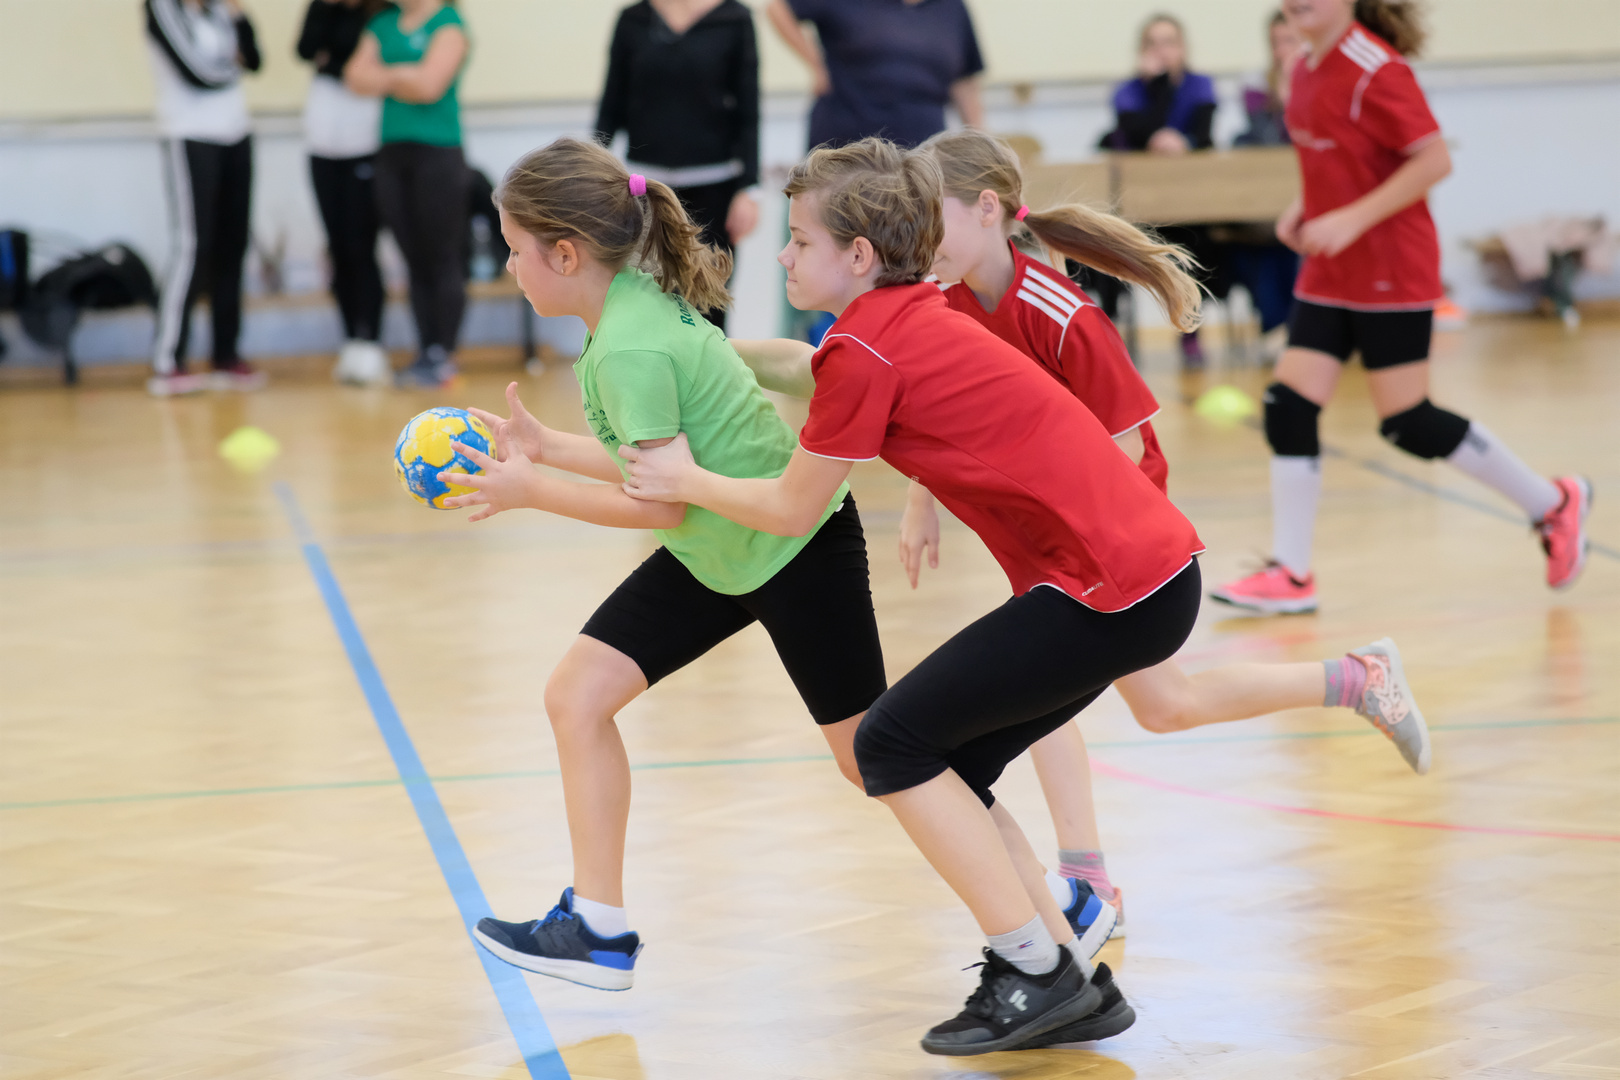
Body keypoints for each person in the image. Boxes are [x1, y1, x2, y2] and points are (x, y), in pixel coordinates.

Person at [617, 138, 1429, 1055]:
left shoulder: (881, 340)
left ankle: (1035, 970)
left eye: (799, 241)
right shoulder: (901, 315)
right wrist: (710, 354)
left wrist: (686, 480)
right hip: (1135, 580)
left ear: (859, 256)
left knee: (891, 743)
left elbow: (793, 506)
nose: (782, 255)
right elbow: (817, 371)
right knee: (946, 761)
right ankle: (1063, 977)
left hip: (1111, 586)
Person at [426, 137, 890, 994]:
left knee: (878, 759)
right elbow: (655, 463)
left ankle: (1036, 905)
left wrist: (532, 490)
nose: (510, 266)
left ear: (566, 254)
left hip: (792, 551)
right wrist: (550, 447)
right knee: (577, 695)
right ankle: (598, 929)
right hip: (718, 548)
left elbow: (660, 504)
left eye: (516, 250)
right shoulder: (630, 308)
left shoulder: (629, 347)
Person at [1210, 0, 1592, 613]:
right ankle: (1291, 574)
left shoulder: (1376, 68)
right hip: (1333, 266)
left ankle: (1553, 503)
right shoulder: (1300, 66)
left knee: (1406, 421)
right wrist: (1305, 207)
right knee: (1289, 404)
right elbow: (1336, 159)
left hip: (1391, 264)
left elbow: (1434, 159)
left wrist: (1351, 218)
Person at [593, 0, 761, 331]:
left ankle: (710, 366)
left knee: (709, 305)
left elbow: (749, 111)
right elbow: (610, 106)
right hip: (646, 190)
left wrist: (750, 189)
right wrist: (588, 175)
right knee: (648, 301)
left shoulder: (734, 19)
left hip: (715, 186)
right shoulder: (633, 20)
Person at [344, 0, 469, 389]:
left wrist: (384, 74)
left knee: (442, 255)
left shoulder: (449, 22)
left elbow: (430, 86)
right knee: (413, 257)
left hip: (438, 153)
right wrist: (406, 74)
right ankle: (425, 350)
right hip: (392, 155)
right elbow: (354, 77)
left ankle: (444, 354)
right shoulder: (383, 23)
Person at [144, 0, 266, 396]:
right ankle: (168, 360)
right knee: (192, 246)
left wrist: (239, 15)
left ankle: (225, 355)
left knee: (232, 246)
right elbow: (197, 72)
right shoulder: (162, 7)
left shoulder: (219, 10)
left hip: (235, 132)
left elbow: (256, 59)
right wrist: (234, 63)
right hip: (188, 135)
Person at [1099, 13, 1223, 368]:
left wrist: (1182, 142)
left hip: (1190, 203)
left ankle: (1191, 330)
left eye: (1169, 42)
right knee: (1106, 243)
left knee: (1200, 243)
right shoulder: (1127, 92)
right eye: (1152, 44)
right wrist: (1158, 86)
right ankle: (1108, 336)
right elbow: (1139, 133)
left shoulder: (1200, 86)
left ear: (1183, 48)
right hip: (1137, 206)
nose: (1161, 51)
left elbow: (1204, 136)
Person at [298, 0, 391, 385]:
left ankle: (371, 341)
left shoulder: (381, 13)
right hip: (322, 145)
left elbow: (360, 71)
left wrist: (333, 62)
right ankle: (351, 340)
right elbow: (306, 49)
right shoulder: (323, 8)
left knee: (360, 247)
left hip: (364, 143)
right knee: (337, 248)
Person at [765, 0, 985, 150]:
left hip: (922, 148)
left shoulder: (951, 8)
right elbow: (778, 7)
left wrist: (981, 146)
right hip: (848, 144)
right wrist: (816, 64)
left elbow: (964, 82)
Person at [1228, 9, 1307, 358]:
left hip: (1315, 199)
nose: (1281, 51)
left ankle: (1302, 329)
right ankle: (1276, 327)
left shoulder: (1327, 82)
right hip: (1271, 204)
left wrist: (1297, 93)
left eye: (1289, 41)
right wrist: (1282, 95)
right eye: (1275, 43)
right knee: (1260, 241)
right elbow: (1263, 143)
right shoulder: (1257, 91)